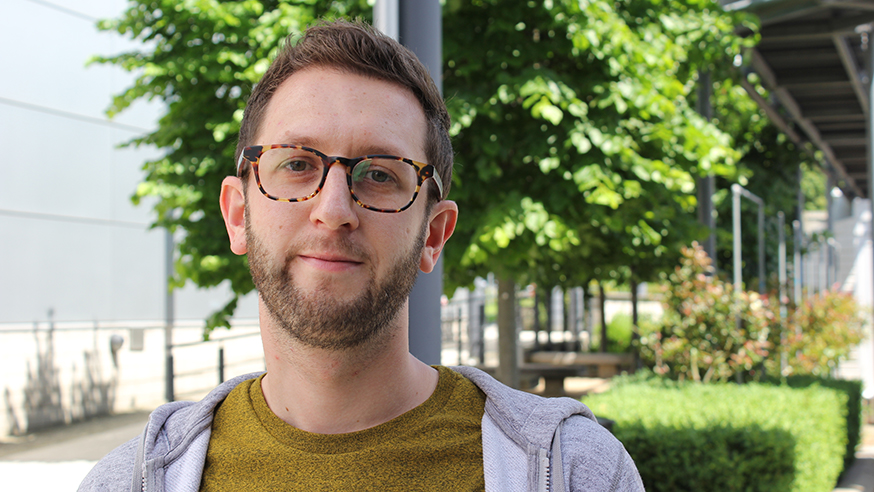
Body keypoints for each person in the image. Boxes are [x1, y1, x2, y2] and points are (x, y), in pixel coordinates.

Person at [80, 19, 644, 492]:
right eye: (297, 163)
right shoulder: (128, 481)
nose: (333, 209)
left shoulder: (575, 471)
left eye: (379, 175)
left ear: (434, 236)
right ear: (236, 214)